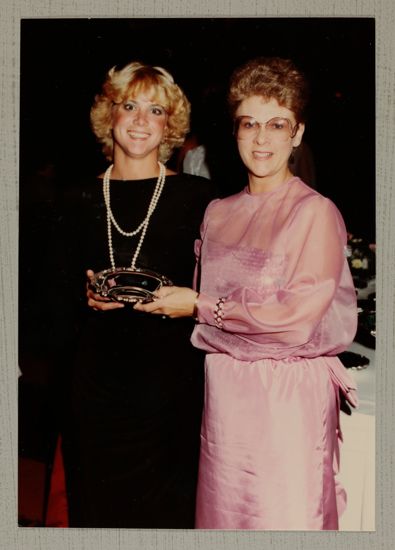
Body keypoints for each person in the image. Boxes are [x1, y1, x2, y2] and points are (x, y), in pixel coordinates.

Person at [135, 57, 358, 530]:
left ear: (297, 133)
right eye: (249, 124)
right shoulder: (217, 212)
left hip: (285, 399)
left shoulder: (314, 213)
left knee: (281, 519)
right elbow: (199, 295)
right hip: (225, 395)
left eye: (277, 125)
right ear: (234, 130)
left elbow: (295, 318)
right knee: (223, 520)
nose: (261, 139)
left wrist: (197, 306)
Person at [58, 61, 216, 528]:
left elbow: (217, 290)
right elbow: (45, 302)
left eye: (156, 110)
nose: (142, 120)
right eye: (130, 106)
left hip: (172, 388)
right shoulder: (75, 199)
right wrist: (82, 296)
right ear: (110, 115)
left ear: (171, 124)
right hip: (95, 389)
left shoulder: (199, 197)